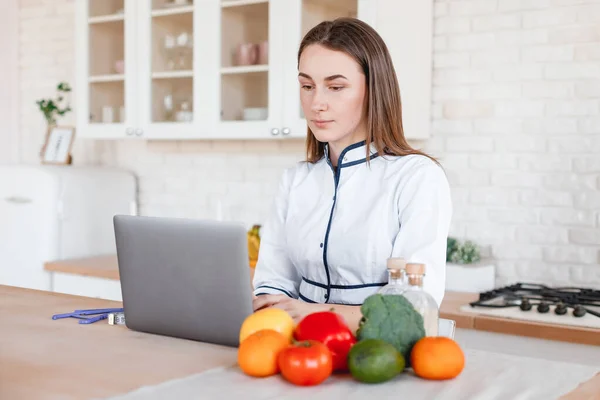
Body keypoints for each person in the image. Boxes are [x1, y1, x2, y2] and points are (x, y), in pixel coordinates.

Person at [251, 17, 452, 332]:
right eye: (307, 86)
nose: (316, 103)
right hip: (298, 350)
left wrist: (311, 312)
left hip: (376, 354)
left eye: (335, 87)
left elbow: (414, 306)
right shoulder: (295, 180)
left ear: (373, 89)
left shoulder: (417, 177)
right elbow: (272, 282)